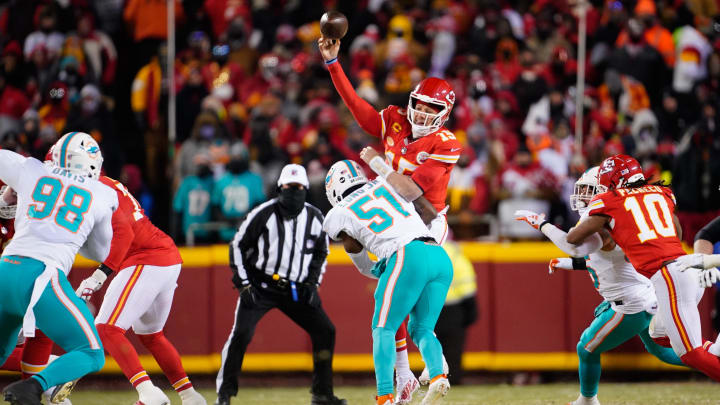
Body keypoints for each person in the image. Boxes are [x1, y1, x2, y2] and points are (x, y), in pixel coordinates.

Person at [320, 36, 459, 402]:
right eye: (420, 106)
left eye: (432, 109)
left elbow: (413, 191)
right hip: (395, 218)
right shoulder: (395, 120)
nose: (423, 114)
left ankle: (411, 372)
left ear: (444, 114)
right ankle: (409, 371)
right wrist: (334, 64)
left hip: (426, 222)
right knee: (389, 294)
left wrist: (379, 165)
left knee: (401, 297)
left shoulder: (446, 142)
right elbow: (355, 105)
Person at [516, 166, 686, 405]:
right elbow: (601, 262)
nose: (583, 196)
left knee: (587, 348)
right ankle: (710, 358)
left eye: (589, 190)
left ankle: (587, 401)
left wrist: (541, 224)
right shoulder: (620, 217)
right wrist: (566, 264)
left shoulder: (605, 222)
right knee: (664, 352)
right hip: (644, 296)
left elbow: (573, 245)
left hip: (630, 304)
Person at [553, 154, 720, 380]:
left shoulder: (610, 200)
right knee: (659, 335)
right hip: (685, 267)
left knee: (691, 354)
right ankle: (716, 350)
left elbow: (572, 240)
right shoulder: (661, 192)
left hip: (669, 276)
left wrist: (542, 224)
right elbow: (677, 234)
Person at [0, 131, 117, 404]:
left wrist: (14, 197)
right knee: (91, 353)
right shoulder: (103, 193)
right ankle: (36, 386)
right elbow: (100, 251)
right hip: (42, 276)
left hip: (6, 269)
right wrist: (75, 231)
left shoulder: (32, 170)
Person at [323, 159, 452, 405]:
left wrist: (379, 266)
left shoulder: (337, 214)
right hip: (438, 254)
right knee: (422, 329)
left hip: (405, 255)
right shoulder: (387, 182)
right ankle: (437, 374)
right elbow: (430, 213)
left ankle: (384, 395)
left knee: (383, 328)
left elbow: (359, 258)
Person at [216, 164, 345, 405]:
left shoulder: (315, 217)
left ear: (306, 189)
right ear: (279, 188)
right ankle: (225, 394)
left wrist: (312, 283)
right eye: (289, 187)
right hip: (260, 286)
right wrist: (243, 284)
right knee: (241, 334)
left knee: (325, 331)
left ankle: (322, 393)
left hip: (295, 289)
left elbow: (321, 252)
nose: (293, 192)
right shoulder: (263, 213)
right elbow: (237, 246)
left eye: (298, 188)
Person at [72, 173, 207, 405]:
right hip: (164, 255)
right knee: (152, 336)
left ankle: (148, 393)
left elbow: (124, 234)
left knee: (106, 328)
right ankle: (190, 396)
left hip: (146, 257)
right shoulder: (104, 183)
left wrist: (100, 274)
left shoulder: (93, 189)